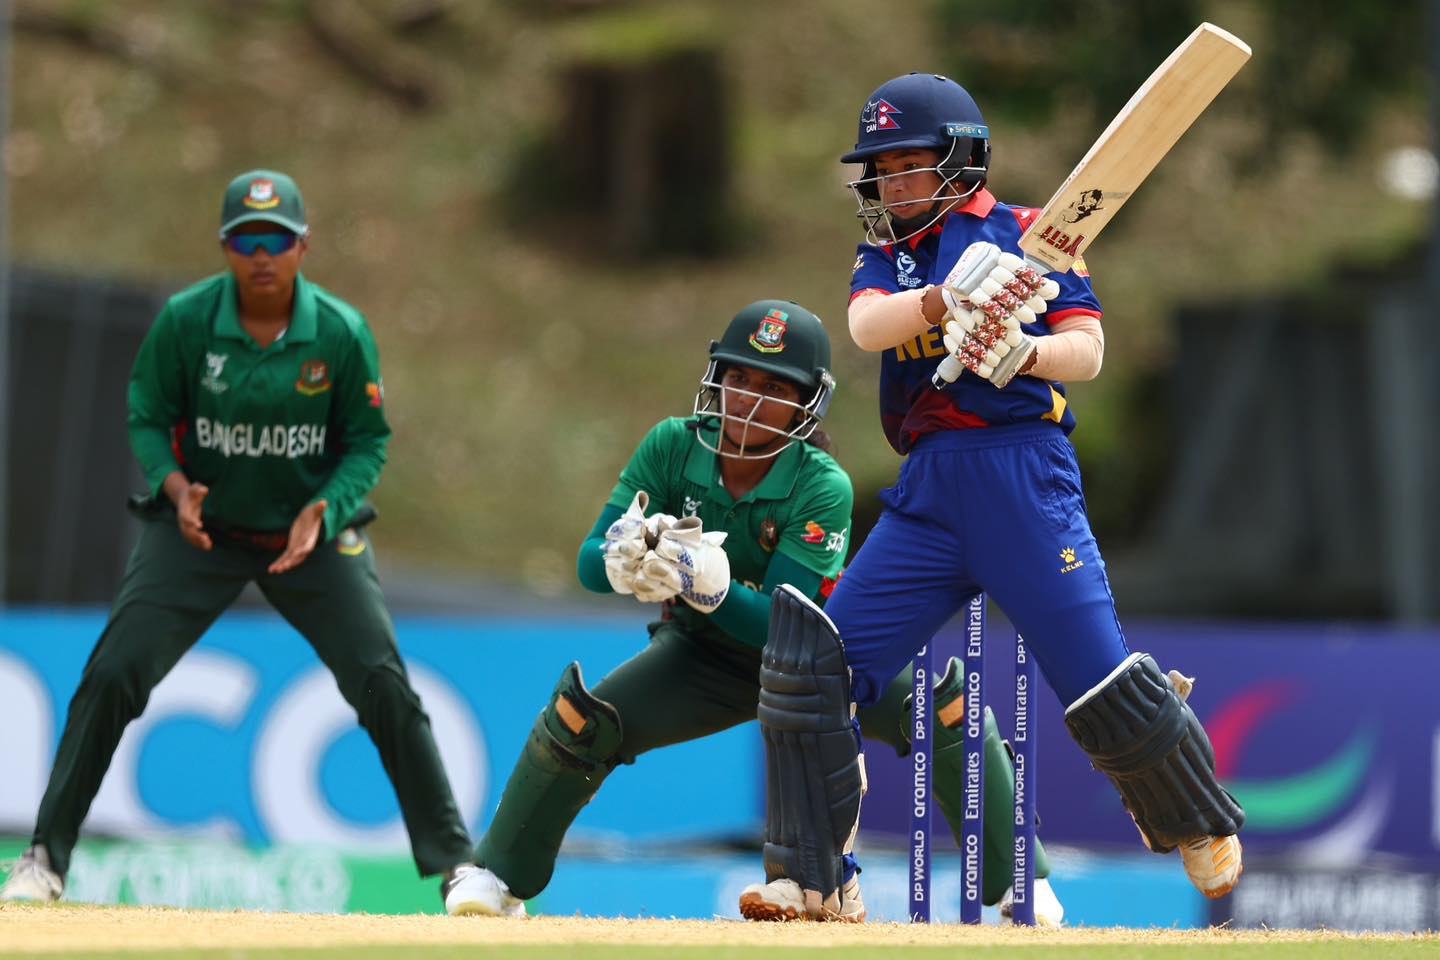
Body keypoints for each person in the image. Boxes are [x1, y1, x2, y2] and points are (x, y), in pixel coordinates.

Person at [739, 74, 1245, 922]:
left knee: (1097, 678)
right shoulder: (888, 257)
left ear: (958, 160)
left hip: (1022, 476)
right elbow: (867, 327)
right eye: (881, 171)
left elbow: (1087, 349)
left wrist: (1022, 352)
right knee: (813, 671)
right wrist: (948, 299)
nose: (892, 185)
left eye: (907, 165)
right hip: (930, 491)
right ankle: (816, 879)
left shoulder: (1031, 234)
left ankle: (1197, 816)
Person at [440, 300, 1062, 923]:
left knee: (946, 711)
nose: (748, 399)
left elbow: (780, 627)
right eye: (738, 377)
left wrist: (711, 589)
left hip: (822, 663)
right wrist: (619, 562)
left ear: (807, 402)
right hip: (701, 655)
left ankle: (1022, 883)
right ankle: (496, 876)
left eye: (774, 388)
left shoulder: (821, 484)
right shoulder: (671, 445)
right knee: (581, 721)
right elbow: (586, 562)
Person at [0, 170, 476, 905]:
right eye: (246, 240)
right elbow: (148, 417)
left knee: (383, 684)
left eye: (276, 241)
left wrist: (327, 508)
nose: (261, 256)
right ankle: (44, 857)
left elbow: (368, 442)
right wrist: (173, 486)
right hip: (201, 532)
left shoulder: (340, 332)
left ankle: (458, 867)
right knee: (113, 673)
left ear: (303, 247)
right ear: (225, 247)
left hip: (309, 536)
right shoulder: (187, 322)